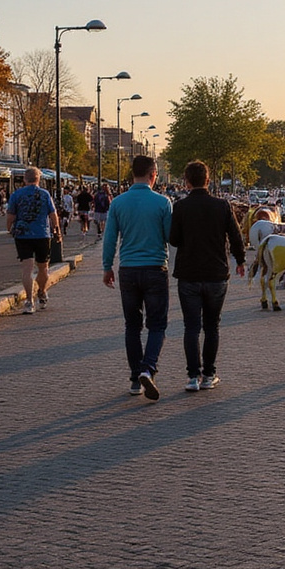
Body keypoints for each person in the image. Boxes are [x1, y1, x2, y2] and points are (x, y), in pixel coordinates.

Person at [169, 160, 246, 392]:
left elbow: (173, 239)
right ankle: (209, 375)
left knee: (191, 327)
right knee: (212, 326)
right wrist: (240, 260)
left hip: (189, 275)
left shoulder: (180, 207)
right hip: (216, 275)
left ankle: (192, 376)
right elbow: (236, 236)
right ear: (208, 180)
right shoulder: (222, 206)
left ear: (187, 181)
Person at [102, 155, 172, 400]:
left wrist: (107, 266)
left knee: (132, 325)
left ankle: (134, 379)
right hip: (155, 268)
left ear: (132, 174)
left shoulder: (118, 203)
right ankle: (148, 368)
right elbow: (170, 237)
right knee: (157, 324)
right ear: (153, 174)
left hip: (128, 269)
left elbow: (110, 238)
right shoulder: (163, 203)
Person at [5, 167, 60, 314]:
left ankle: (29, 301)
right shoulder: (45, 194)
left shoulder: (16, 194)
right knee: (43, 268)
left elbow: (10, 215)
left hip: (23, 235)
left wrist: (9, 228)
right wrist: (57, 231)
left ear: (24, 179)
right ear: (38, 179)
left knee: (27, 269)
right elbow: (53, 215)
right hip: (42, 234)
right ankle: (42, 292)